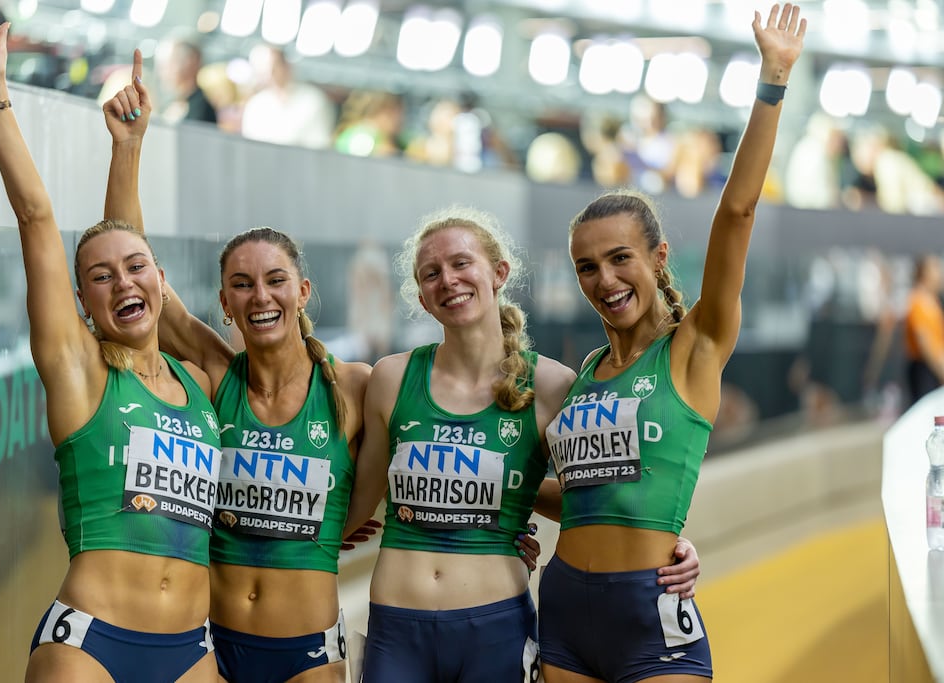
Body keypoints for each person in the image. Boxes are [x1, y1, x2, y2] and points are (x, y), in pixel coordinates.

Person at [0, 12, 222, 681]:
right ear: (83, 303)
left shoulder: (201, 384)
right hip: (91, 644)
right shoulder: (80, 373)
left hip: (192, 651)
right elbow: (37, 217)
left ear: (162, 279)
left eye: (137, 267)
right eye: (99, 276)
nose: (123, 280)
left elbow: (124, 236)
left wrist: (128, 147)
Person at [538, 5, 807, 682]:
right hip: (564, 608)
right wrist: (493, 498)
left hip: (652, 616)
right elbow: (584, 498)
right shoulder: (588, 374)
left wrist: (772, 80)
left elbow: (738, 213)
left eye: (620, 257)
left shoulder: (695, 347)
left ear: (658, 257)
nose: (605, 279)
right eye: (587, 267)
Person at [102, 54, 373, 683]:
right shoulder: (216, 375)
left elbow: (452, 433)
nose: (260, 297)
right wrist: (128, 148)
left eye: (276, 281)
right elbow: (127, 255)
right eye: (242, 285)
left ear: (303, 291)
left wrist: (509, 533)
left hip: (308, 652)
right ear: (224, 303)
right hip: (210, 647)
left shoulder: (355, 387)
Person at [343, 207, 701, 682]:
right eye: (431, 273)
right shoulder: (392, 377)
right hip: (396, 626)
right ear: (423, 298)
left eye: (460, 264)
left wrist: (667, 545)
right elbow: (360, 499)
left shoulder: (554, 385)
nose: (448, 280)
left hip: (497, 627)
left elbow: (600, 488)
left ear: (499, 273)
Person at [240, 45, 335, 149]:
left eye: (274, 68)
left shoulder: (313, 100)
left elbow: (319, 146)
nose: (270, 75)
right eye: (264, 70)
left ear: (286, 66)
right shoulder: (256, 104)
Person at [904, 253, 944, 405]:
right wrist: (941, 370)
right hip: (924, 369)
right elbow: (925, 343)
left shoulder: (932, 301)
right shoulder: (918, 302)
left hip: (932, 367)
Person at [156, 32, 217, 125]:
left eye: (168, 66)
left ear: (190, 63)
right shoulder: (175, 103)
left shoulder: (200, 109)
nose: (163, 74)